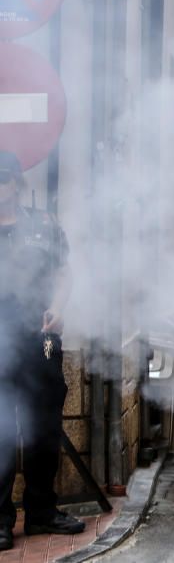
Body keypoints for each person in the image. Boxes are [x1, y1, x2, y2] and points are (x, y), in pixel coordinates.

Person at [0, 151, 84, 550]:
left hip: (41, 339)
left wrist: (59, 308)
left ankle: (41, 512)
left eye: (5, 179)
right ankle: (0, 521)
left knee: (44, 428)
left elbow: (65, 271)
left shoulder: (43, 225)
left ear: (17, 183)